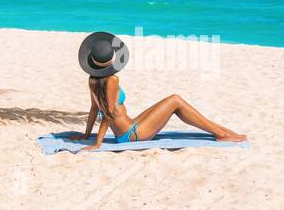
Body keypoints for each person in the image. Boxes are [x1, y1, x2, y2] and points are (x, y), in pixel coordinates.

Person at [67, 31, 246, 149]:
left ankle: (222, 131)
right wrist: (97, 143)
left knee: (174, 102)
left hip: (129, 128)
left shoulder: (92, 80)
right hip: (132, 135)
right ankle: (221, 133)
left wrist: (86, 135)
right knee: (175, 100)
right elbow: (108, 112)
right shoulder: (112, 80)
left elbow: (93, 109)